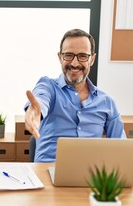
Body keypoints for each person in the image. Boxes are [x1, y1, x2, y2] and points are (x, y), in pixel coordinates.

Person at [24, 29, 126, 163]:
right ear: (60, 57)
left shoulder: (107, 102)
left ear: (92, 59)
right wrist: (35, 110)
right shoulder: (49, 86)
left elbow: (122, 150)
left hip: (90, 178)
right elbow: (40, 98)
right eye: (68, 55)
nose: (75, 63)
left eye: (82, 56)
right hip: (47, 174)